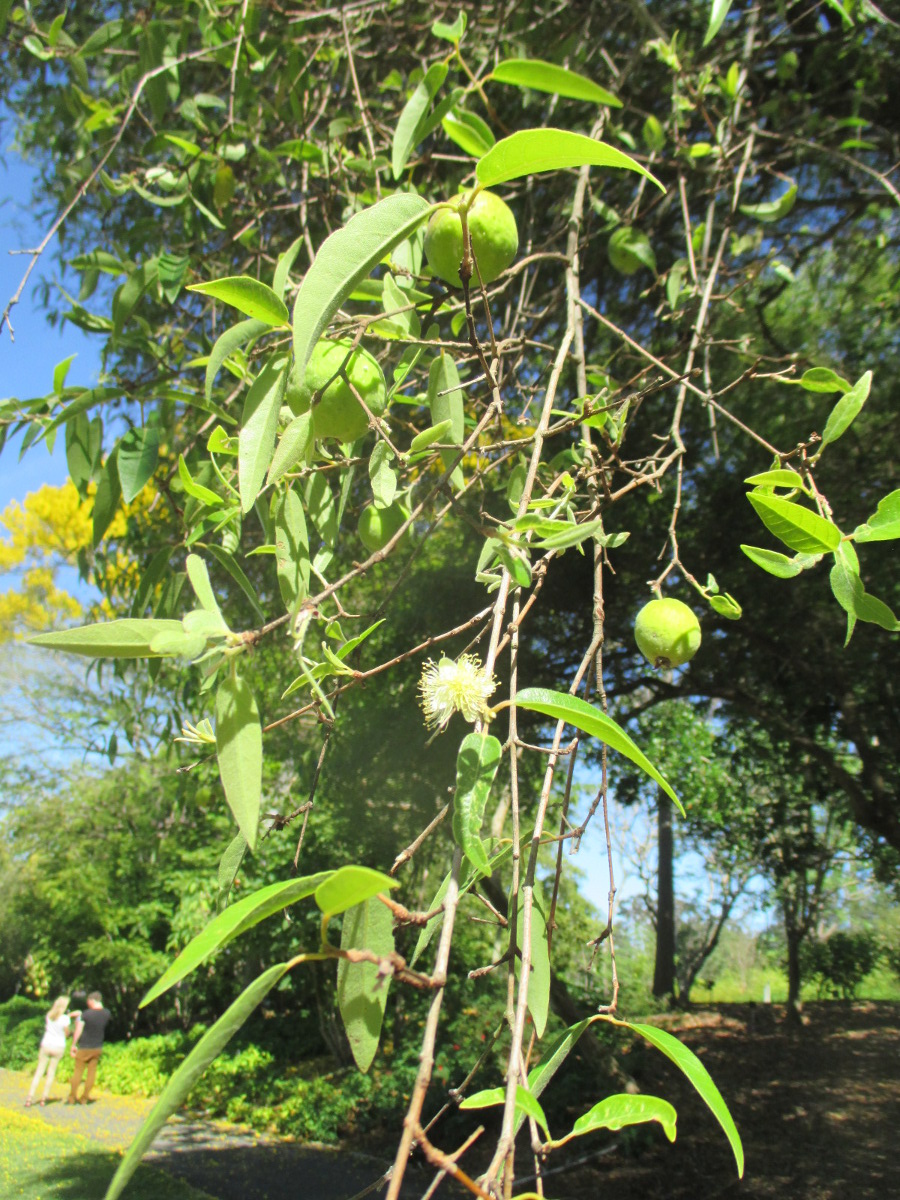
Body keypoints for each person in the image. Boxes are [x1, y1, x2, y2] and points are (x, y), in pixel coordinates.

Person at [26, 995, 78, 1108]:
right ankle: (43, 1098)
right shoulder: (65, 1019)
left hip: (46, 1044)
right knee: (51, 1073)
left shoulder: (49, 1015)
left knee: (39, 1071)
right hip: (58, 1046)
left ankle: (30, 1097)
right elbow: (66, 1033)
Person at [66, 991, 111, 1105]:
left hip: (84, 1046)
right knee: (91, 1073)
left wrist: (73, 1044)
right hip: (97, 1046)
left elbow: (78, 1030)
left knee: (78, 1072)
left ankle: (72, 1098)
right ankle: (85, 1098)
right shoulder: (107, 1013)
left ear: (92, 1001)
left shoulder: (86, 1014)